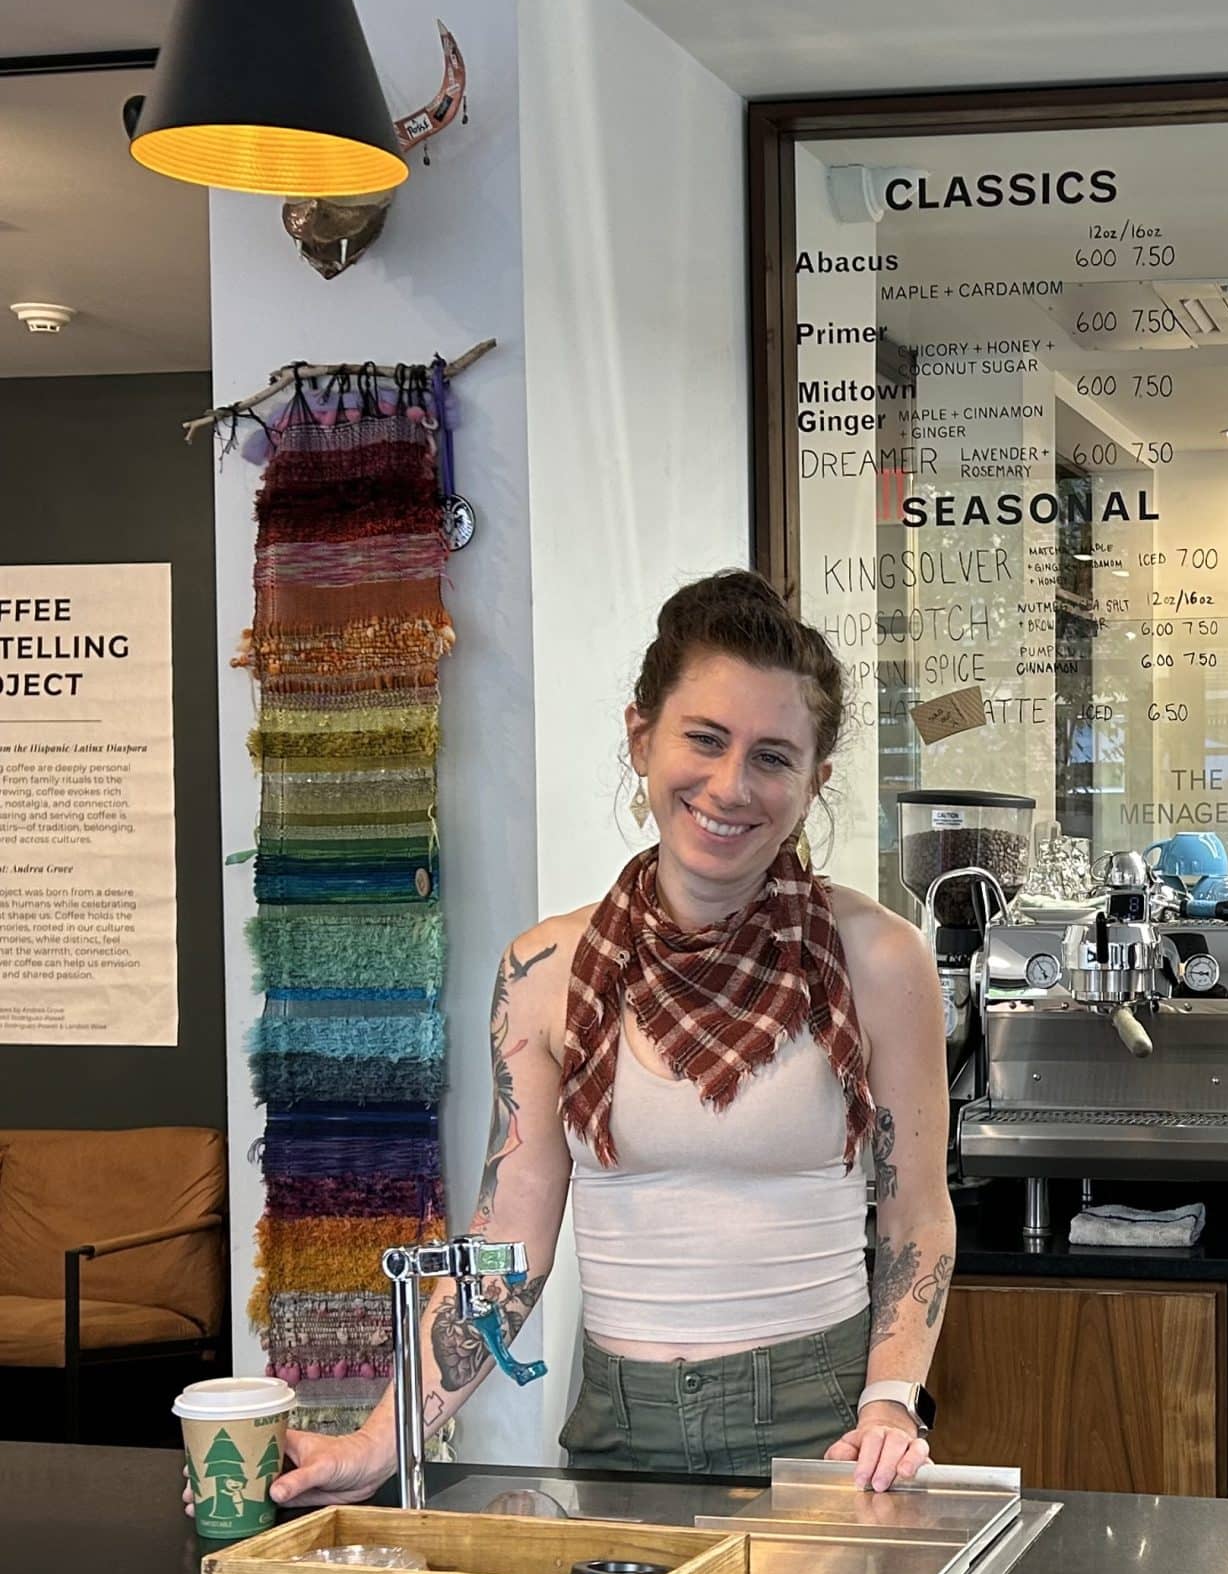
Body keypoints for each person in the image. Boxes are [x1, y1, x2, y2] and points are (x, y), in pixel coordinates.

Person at [263, 569, 956, 1503]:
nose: (729, 786)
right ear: (642, 736)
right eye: (704, 740)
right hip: (616, 1425)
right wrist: (380, 1442)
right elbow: (508, 1236)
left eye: (772, 757)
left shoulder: (877, 958)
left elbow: (917, 1212)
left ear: (814, 782)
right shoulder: (544, 972)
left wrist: (890, 1403)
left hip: (822, 1425)